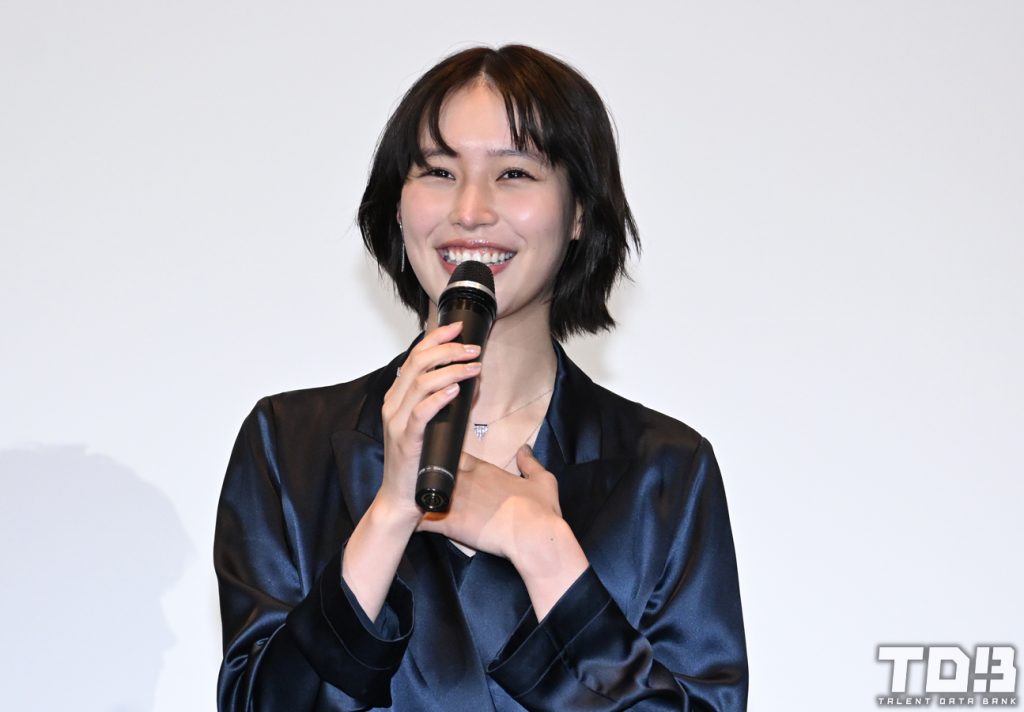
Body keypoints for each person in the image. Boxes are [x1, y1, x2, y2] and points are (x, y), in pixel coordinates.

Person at [215, 44, 747, 711]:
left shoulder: (665, 471)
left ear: (579, 212)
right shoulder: (289, 444)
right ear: (398, 205)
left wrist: (544, 550)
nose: (469, 209)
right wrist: (390, 514)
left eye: (514, 173)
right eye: (439, 171)